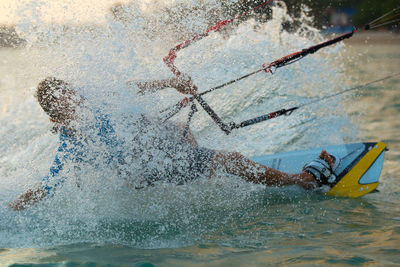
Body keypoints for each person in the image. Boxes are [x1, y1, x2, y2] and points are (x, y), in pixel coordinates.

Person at [9, 75, 336, 210]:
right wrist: (11, 209)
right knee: (228, 158)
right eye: (67, 105)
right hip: (144, 171)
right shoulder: (72, 143)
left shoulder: (96, 100)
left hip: (154, 155)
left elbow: (130, 89)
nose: (77, 103)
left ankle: (204, 170)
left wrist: (170, 82)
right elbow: (48, 186)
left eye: (73, 95)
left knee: (176, 127)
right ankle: (304, 181)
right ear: (57, 119)